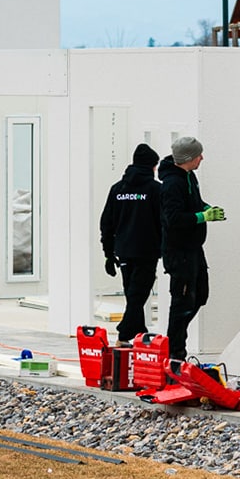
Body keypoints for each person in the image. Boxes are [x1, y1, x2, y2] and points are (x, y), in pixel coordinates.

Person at [159, 136, 226, 362]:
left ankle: (176, 345)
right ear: (188, 158)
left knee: (200, 296)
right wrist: (202, 217)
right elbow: (173, 219)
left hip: (194, 249)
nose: (202, 158)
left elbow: (194, 204)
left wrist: (207, 209)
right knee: (182, 303)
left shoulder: (189, 176)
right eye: (198, 155)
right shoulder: (172, 184)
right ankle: (175, 353)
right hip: (179, 252)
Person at [98, 143, 163, 343]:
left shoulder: (117, 189)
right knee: (137, 297)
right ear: (152, 166)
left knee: (134, 295)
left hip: (124, 251)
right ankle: (124, 334)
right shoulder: (155, 190)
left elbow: (106, 223)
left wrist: (109, 254)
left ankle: (138, 334)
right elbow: (163, 222)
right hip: (147, 251)